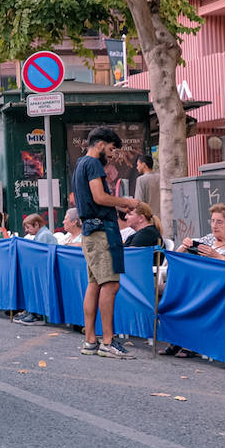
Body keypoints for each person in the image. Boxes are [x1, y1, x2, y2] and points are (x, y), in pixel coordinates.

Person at [73, 127, 136, 359]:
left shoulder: (81, 164)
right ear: (100, 144)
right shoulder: (93, 165)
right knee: (110, 285)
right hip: (101, 232)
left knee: (95, 284)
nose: (111, 155)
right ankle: (108, 341)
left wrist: (120, 204)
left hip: (90, 231)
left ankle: (90, 340)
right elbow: (100, 197)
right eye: (110, 149)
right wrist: (127, 202)